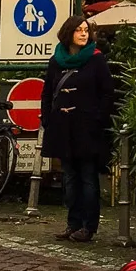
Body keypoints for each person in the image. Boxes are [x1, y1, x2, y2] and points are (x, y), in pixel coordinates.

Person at [39, 15, 114, 242]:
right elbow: (47, 92)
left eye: (86, 30)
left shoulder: (96, 60)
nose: (83, 34)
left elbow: (107, 93)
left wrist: (98, 119)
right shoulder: (56, 61)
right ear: (68, 33)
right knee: (70, 178)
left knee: (88, 178)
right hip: (63, 129)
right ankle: (73, 223)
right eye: (78, 30)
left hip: (87, 129)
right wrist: (48, 120)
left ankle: (88, 227)